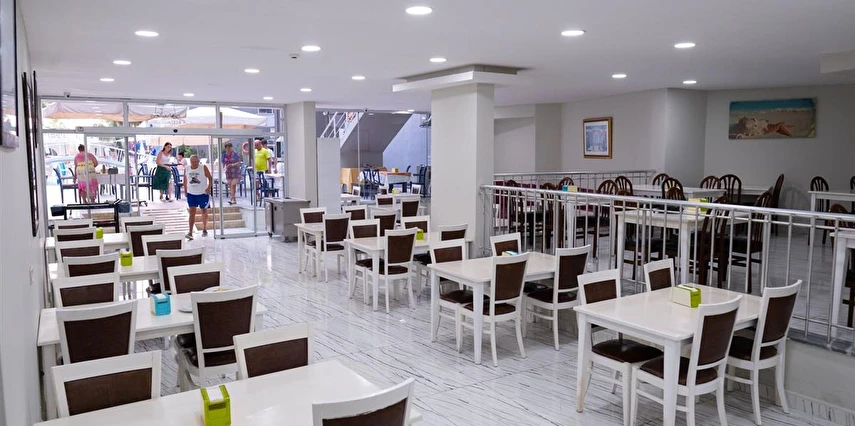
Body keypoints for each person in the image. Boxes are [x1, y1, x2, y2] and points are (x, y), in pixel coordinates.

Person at [184, 154, 212, 240]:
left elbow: (210, 178)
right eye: (192, 162)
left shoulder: (203, 167)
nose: (194, 163)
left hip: (202, 193)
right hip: (191, 193)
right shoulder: (187, 168)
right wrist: (185, 190)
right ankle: (190, 232)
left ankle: (205, 229)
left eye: (196, 162)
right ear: (190, 162)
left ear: (198, 161)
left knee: (204, 211)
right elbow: (185, 180)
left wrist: (209, 187)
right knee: (192, 212)